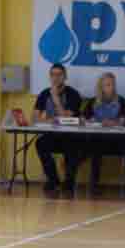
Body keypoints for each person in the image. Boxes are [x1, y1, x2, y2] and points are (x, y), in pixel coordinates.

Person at [34, 63, 83, 198]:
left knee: (74, 147)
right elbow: (36, 117)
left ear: (65, 77)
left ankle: (68, 183)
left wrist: (56, 99)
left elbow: (67, 117)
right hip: (51, 134)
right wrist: (48, 120)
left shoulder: (73, 94)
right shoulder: (44, 94)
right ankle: (53, 180)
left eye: (59, 75)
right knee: (40, 144)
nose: (55, 78)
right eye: (52, 75)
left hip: (70, 135)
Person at [82, 72, 125, 196]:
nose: (110, 87)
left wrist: (114, 122)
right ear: (101, 87)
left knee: (96, 146)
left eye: (112, 84)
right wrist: (90, 121)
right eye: (107, 85)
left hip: (116, 139)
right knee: (91, 146)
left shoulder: (121, 101)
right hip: (96, 138)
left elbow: (124, 120)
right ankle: (92, 184)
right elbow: (83, 119)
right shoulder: (93, 102)